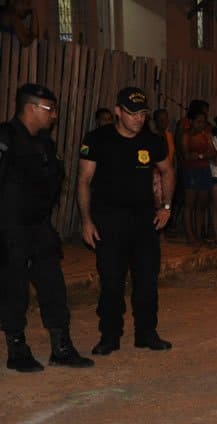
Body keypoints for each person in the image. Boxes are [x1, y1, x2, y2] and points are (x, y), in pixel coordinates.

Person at [0, 83, 94, 372]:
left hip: (40, 227)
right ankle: (17, 349)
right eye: (49, 109)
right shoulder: (6, 137)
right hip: (10, 228)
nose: (54, 116)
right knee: (14, 290)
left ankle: (61, 347)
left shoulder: (44, 143)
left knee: (53, 285)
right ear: (30, 108)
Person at [77, 87, 176, 355]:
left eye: (142, 113)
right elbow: (84, 181)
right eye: (132, 114)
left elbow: (167, 171)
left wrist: (166, 206)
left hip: (144, 221)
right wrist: (86, 221)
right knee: (111, 281)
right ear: (118, 112)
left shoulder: (152, 141)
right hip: (108, 221)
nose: (138, 119)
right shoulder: (98, 139)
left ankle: (146, 333)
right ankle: (110, 335)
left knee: (147, 280)